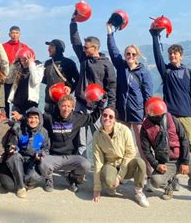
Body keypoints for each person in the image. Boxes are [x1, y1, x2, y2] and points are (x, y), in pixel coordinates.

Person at [150, 28, 191, 192]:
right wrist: (154, 36)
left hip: (186, 116)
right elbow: (158, 57)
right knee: (171, 146)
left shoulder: (189, 73)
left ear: (181, 56)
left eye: (175, 54)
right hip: (170, 116)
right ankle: (174, 178)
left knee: (190, 146)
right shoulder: (166, 72)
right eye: (171, 54)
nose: (172, 56)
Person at [106, 23, 154, 188]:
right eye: (128, 54)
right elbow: (113, 51)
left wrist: (148, 113)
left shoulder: (143, 72)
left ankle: (148, 176)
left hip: (138, 113)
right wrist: (110, 33)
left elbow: (148, 95)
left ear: (137, 56)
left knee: (142, 146)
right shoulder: (121, 67)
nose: (130, 56)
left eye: (133, 54)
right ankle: (123, 174)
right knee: (122, 145)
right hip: (122, 112)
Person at [70, 15, 116, 156]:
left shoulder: (106, 63)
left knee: (102, 135)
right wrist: (73, 22)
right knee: (80, 138)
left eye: (86, 47)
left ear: (95, 48)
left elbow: (112, 85)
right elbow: (75, 41)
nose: (83, 49)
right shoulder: (84, 58)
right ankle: (80, 168)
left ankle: (109, 166)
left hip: (97, 107)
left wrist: (111, 106)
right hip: (81, 104)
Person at [38, 94, 104, 193]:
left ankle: (71, 178)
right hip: (53, 156)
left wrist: (100, 104)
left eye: (69, 106)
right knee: (43, 164)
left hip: (71, 156)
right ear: (59, 106)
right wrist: (21, 117)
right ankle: (49, 180)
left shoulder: (77, 118)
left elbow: (93, 118)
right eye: (63, 106)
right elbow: (36, 120)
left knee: (86, 165)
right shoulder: (50, 117)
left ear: (73, 108)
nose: (66, 109)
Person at [92, 106, 149, 207]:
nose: (107, 118)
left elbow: (130, 153)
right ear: (101, 117)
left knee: (140, 163)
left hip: (125, 163)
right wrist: (97, 189)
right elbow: (98, 162)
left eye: (111, 116)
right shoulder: (97, 135)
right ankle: (111, 186)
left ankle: (139, 192)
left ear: (114, 120)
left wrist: (120, 176)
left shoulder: (124, 130)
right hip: (110, 164)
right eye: (104, 115)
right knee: (108, 180)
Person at [10, 107, 50, 190]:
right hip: (20, 158)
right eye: (31, 117)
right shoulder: (20, 129)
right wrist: (15, 148)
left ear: (40, 120)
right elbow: (13, 143)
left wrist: (40, 154)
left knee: (34, 177)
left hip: (33, 161)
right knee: (14, 157)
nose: (33, 120)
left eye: (36, 118)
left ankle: (22, 181)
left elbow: (45, 149)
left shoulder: (44, 132)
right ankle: (20, 185)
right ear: (27, 119)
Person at [42, 39, 79, 114]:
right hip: (49, 102)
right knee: (49, 125)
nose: (48, 49)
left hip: (64, 104)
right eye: (49, 46)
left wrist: (70, 88)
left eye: (52, 46)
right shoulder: (47, 63)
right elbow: (45, 80)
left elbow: (78, 80)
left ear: (59, 49)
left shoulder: (69, 63)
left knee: (66, 125)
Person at [7, 49, 44, 116]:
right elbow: (8, 79)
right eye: (21, 60)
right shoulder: (18, 68)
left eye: (25, 59)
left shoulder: (38, 67)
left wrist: (31, 64)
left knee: (29, 123)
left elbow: (35, 81)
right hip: (17, 103)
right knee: (15, 125)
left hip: (31, 103)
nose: (23, 62)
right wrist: (13, 65)